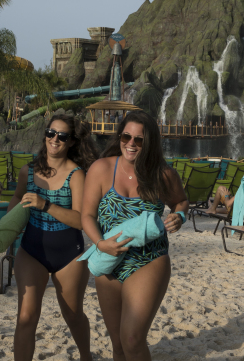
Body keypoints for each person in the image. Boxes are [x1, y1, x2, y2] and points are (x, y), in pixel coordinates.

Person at [82, 110, 189, 361]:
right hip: (109, 260)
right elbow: (86, 215)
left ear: (149, 142)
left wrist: (180, 216)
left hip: (149, 259)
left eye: (139, 140)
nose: (131, 144)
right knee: (118, 345)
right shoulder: (101, 169)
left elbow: (181, 201)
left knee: (132, 339)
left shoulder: (163, 174)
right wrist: (100, 243)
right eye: (126, 136)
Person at [9, 114, 99, 361]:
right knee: (26, 317)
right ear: (45, 135)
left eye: (62, 136)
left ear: (71, 142)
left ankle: (85, 356)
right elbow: (17, 197)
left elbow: (81, 220)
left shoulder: (76, 174)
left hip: (69, 254)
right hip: (32, 251)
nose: (55, 139)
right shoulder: (28, 170)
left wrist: (45, 205)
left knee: (72, 314)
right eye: (51, 133)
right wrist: (9, 224)